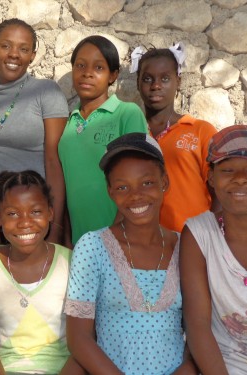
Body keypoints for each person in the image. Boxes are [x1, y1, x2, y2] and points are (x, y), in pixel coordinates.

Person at [65, 133, 198, 375]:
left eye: (147, 182)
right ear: (110, 191)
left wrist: (186, 371)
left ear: (164, 183)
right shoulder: (92, 247)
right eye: (122, 187)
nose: (135, 195)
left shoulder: (185, 246)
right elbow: (78, 338)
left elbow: (198, 329)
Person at [180, 125, 247, 374]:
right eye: (228, 170)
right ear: (211, 178)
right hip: (226, 366)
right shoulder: (199, 235)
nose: (240, 179)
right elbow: (197, 324)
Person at [0, 170, 82, 374]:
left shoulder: (73, 263)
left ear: (50, 213)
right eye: (12, 213)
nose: (25, 222)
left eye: (36, 211)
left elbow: (83, 344)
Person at [0, 18, 69, 247]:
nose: (14, 54)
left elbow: (54, 160)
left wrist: (55, 226)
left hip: (36, 215)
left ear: (32, 56)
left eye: (23, 49)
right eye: (6, 46)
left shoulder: (46, 92)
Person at [59, 35, 148, 245]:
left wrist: (116, 234)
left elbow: (138, 178)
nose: (87, 73)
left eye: (98, 68)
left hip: (122, 238)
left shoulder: (126, 113)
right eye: (80, 65)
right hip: (80, 242)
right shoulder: (69, 123)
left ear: (113, 75)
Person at [132, 43, 217, 232]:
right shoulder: (132, 133)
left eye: (165, 78)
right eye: (147, 79)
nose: (155, 86)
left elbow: (218, 193)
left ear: (178, 82)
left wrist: (213, 240)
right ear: (138, 82)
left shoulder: (200, 131)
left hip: (194, 241)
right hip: (146, 246)